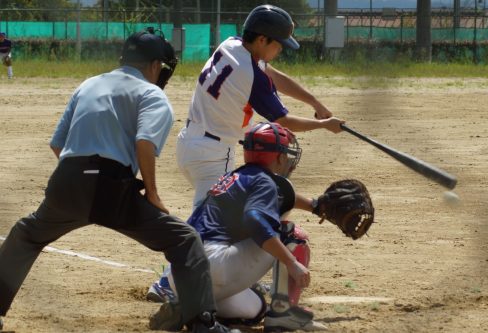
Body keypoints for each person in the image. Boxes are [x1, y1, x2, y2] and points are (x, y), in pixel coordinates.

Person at [0, 30, 239, 333]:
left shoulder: (89, 85)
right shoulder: (152, 95)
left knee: (26, 234)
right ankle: (202, 324)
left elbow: (57, 144)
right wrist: (151, 193)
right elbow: (144, 143)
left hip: (65, 181)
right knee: (184, 240)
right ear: (155, 65)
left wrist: (79, 182)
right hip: (110, 187)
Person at [149, 122, 328, 332]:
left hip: (182, 274)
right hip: (215, 263)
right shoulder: (264, 181)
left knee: (255, 309)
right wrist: (291, 262)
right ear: (278, 157)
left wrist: (314, 205)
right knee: (290, 234)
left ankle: (188, 309)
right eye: (285, 153)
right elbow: (254, 219)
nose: (288, 159)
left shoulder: (231, 178)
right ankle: (283, 312)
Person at [176, 4, 345, 211]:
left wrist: (314, 102)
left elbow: (274, 76)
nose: (280, 49)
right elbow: (284, 121)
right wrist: (324, 124)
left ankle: (312, 206)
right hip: (213, 155)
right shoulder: (251, 75)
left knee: (235, 211)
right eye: (278, 44)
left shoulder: (231, 44)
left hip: (188, 144)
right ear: (262, 39)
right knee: (208, 225)